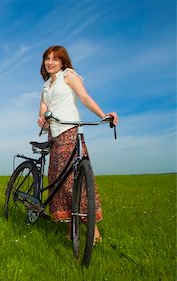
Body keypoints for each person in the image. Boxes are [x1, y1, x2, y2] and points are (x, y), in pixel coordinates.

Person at [37, 45, 119, 243]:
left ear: (63, 62)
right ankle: (69, 228)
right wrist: (42, 119)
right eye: (47, 58)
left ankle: (94, 232)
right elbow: (43, 109)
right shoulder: (46, 86)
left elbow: (84, 97)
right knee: (59, 183)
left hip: (70, 131)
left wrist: (103, 115)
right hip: (54, 136)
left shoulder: (69, 75)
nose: (50, 62)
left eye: (55, 59)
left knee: (77, 182)